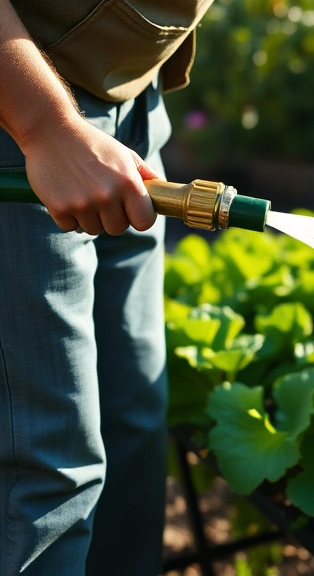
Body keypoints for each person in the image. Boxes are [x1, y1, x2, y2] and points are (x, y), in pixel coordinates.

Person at [0, 1, 213, 574]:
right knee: (50, 473)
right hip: (24, 115)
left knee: (132, 429)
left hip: (132, 105)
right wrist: (45, 126)